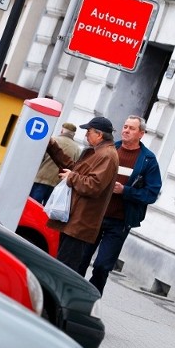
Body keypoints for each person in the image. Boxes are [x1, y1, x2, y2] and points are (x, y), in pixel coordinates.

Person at [78, 115, 162, 295]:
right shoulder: (110, 149)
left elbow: (152, 193)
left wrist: (125, 191)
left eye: (131, 128)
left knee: (102, 266)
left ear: (141, 133)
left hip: (119, 222)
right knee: (81, 259)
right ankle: (72, 294)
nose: (126, 130)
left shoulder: (147, 160)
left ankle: (90, 300)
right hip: (94, 216)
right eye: (125, 126)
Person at [46, 116, 119, 273]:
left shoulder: (107, 155)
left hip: (80, 224)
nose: (86, 134)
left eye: (89, 131)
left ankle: (57, 298)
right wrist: (53, 147)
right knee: (61, 265)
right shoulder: (97, 152)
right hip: (74, 220)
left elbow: (94, 186)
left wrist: (71, 177)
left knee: (63, 270)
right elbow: (74, 169)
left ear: (99, 135)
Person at [30, 122, 81, 205]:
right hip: (58, 184)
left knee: (32, 206)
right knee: (46, 211)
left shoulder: (52, 141)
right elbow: (75, 167)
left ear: (62, 130)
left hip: (41, 179)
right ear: (73, 135)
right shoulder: (77, 149)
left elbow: (39, 159)